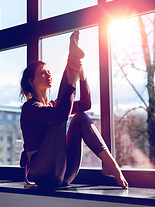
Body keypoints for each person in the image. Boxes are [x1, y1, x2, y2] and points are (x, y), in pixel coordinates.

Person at [20, 30, 128, 189]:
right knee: (59, 115)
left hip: (64, 174)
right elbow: (61, 115)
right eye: (43, 73)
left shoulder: (53, 106)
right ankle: (72, 57)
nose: (48, 75)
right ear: (32, 81)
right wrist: (71, 83)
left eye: (49, 72)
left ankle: (110, 165)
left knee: (80, 117)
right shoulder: (30, 107)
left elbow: (85, 105)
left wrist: (82, 77)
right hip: (43, 173)